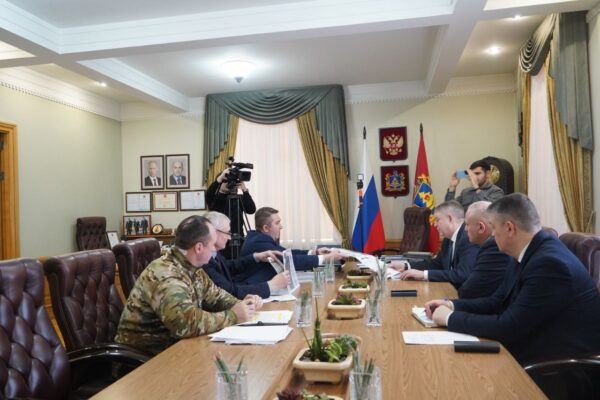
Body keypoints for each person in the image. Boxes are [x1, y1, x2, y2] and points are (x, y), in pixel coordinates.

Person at [426, 194, 600, 365]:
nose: (492, 234)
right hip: (532, 346)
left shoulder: (549, 264)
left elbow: (509, 327)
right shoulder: (528, 251)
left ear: (509, 228)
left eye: (493, 227)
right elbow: (498, 301)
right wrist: (452, 305)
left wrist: (450, 318)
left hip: (560, 365)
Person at [114, 215, 261, 355]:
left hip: (174, 349)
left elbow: (216, 296)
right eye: (212, 245)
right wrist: (233, 316)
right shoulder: (166, 275)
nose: (214, 249)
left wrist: (244, 305)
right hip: (144, 359)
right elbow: (185, 324)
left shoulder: (192, 268)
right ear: (199, 248)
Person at [235, 207, 344, 284]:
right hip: (252, 290)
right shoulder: (258, 242)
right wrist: (325, 258)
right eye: (277, 223)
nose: (281, 226)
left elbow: (287, 253)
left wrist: (315, 252)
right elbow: (290, 260)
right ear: (266, 228)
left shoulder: (260, 238)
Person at [393, 200, 479, 290]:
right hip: (449, 289)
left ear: (450, 218)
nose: (435, 224)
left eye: (438, 220)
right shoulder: (448, 239)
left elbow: (462, 274)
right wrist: (406, 266)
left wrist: (423, 274)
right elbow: (437, 264)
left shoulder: (468, 239)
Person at [203, 211, 290, 299]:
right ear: (214, 232)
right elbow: (229, 292)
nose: (229, 238)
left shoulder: (214, 253)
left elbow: (229, 266)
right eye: (227, 233)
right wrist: (272, 285)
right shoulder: (204, 261)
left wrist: (257, 257)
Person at [456, 201, 515, 299]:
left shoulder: (493, 247)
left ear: (481, 227)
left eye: (467, 224)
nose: (465, 229)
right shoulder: (487, 245)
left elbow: (468, 291)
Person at [206, 167, 256, 258]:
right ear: (220, 183)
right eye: (225, 181)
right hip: (221, 238)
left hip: (238, 237)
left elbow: (251, 209)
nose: (229, 183)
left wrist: (245, 190)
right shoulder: (215, 199)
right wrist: (220, 178)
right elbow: (208, 194)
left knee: (239, 262)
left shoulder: (238, 198)